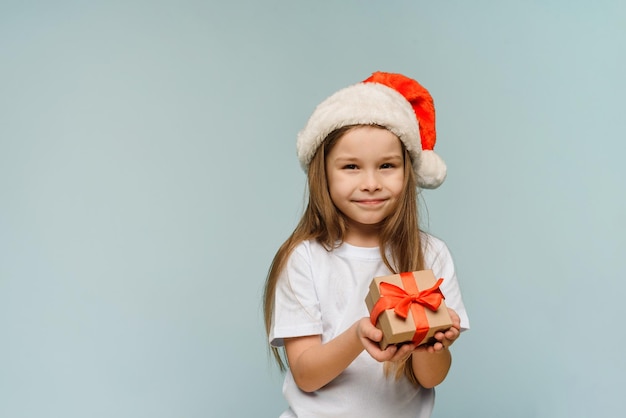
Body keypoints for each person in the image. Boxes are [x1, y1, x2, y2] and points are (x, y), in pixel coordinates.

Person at [263, 71, 470, 418]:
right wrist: (359, 335)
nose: (371, 183)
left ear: (408, 170)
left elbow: (430, 377)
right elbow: (306, 375)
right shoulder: (304, 258)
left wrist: (431, 342)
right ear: (323, 173)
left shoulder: (431, 256)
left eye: (387, 165)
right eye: (351, 167)